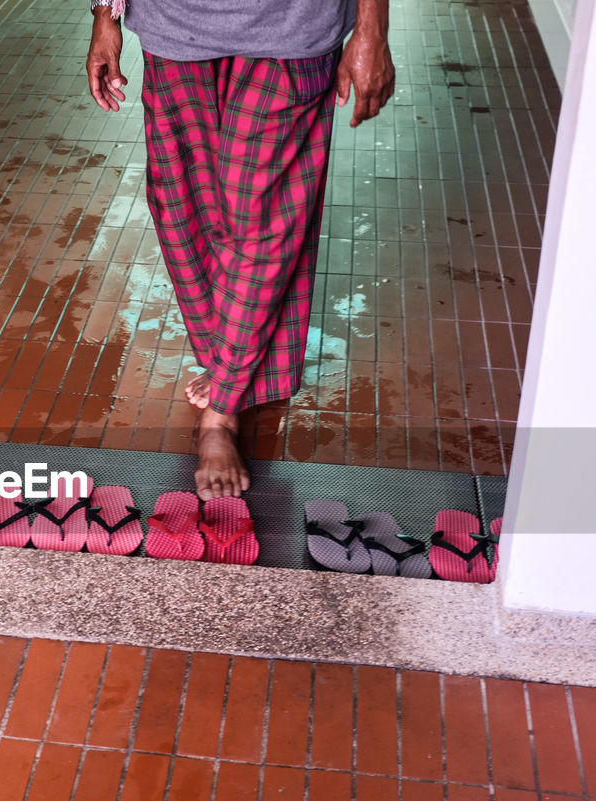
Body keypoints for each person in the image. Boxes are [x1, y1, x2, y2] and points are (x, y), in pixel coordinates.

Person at [86, 0, 394, 499]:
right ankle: (237, 363)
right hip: (172, 25)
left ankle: (223, 406)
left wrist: (372, 26)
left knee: (261, 214)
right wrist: (105, 14)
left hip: (291, 26)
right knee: (181, 205)